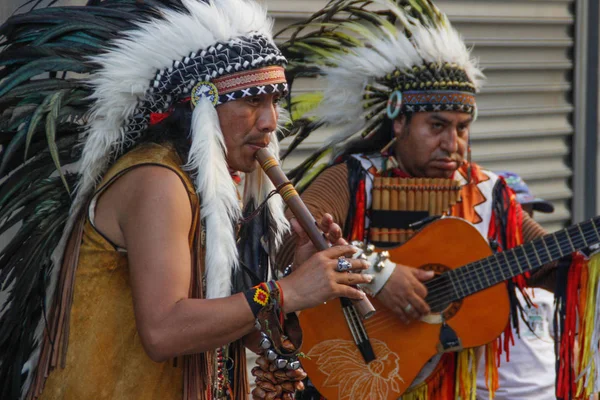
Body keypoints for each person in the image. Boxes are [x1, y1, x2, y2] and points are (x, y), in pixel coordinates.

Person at [0, 1, 373, 399]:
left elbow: (237, 328)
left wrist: (299, 275)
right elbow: (163, 331)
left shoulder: (206, 187)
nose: (269, 122)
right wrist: (286, 291)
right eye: (251, 100)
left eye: (274, 101)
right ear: (202, 104)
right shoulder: (158, 180)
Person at [273, 0, 595, 398]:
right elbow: (290, 242)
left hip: (453, 384)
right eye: (437, 126)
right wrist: (378, 273)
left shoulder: (489, 192)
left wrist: (586, 259)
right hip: (359, 359)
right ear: (400, 121)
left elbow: (546, 265)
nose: (452, 144)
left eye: (462, 129)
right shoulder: (355, 178)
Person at [476, 171, 556, 400]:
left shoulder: (546, 282)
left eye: (530, 216)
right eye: (519, 218)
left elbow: (568, 344)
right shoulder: (476, 284)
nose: (525, 227)